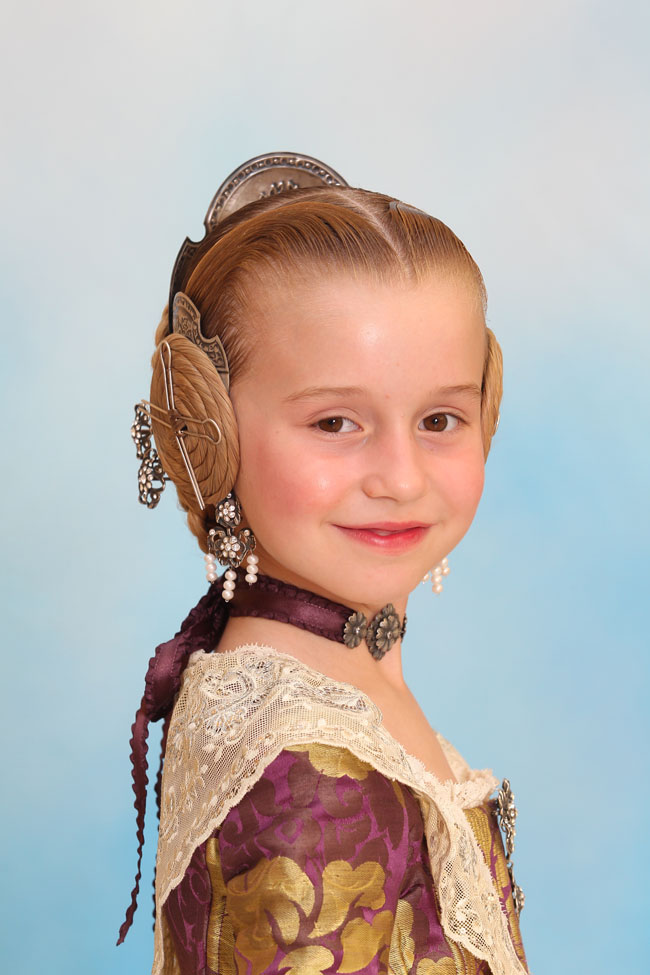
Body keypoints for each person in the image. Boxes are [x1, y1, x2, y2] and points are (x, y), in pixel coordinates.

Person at [121, 152, 530, 975]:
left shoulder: (316, 676)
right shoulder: (308, 773)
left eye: (440, 419)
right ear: (208, 432)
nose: (401, 478)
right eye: (336, 422)